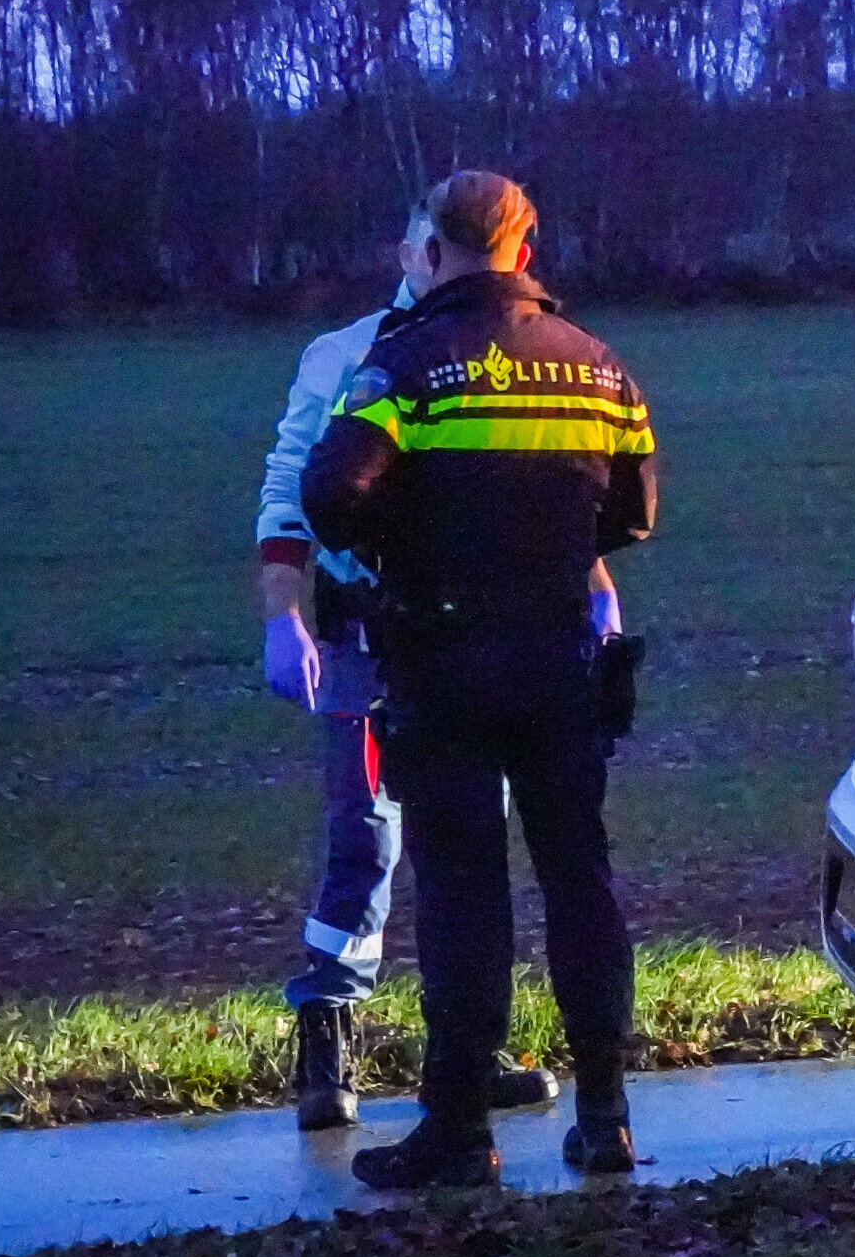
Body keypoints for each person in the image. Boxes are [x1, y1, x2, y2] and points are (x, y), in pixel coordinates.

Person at [301, 170, 657, 1188]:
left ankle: (459, 1131)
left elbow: (332, 493)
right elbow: (632, 516)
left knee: (462, 892)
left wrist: (411, 548)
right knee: (580, 882)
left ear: (434, 249)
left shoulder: (404, 365)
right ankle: (605, 1117)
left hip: (442, 657)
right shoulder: (596, 367)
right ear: (525, 248)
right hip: (560, 661)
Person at [256, 206, 603, 1131]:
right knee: (366, 834)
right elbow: (294, 482)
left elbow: (547, 486)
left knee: (472, 845)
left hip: (474, 641)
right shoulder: (347, 355)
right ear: (412, 253)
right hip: (371, 637)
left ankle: (466, 1054)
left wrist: (593, 579)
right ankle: (326, 1044)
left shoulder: (512, 347)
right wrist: (285, 613)